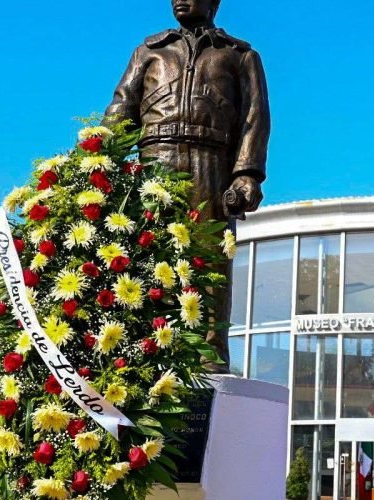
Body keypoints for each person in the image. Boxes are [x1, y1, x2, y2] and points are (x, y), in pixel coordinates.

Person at [105, 0, 271, 366]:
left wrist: (246, 173)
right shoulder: (149, 51)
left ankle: (208, 355)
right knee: (151, 255)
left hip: (210, 163)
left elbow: (254, 118)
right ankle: (148, 349)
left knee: (208, 260)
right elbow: (121, 109)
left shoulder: (239, 55)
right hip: (154, 163)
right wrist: (95, 157)